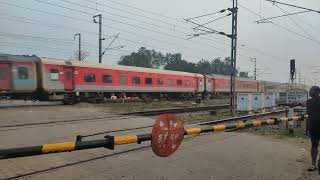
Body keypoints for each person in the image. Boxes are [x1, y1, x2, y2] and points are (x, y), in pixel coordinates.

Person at [305, 86, 320, 171]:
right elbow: (307, 116)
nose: (309, 92)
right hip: (313, 128)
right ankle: (313, 164)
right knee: (314, 146)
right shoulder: (309, 102)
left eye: (311, 90)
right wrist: (307, 128)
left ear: (317, 92)